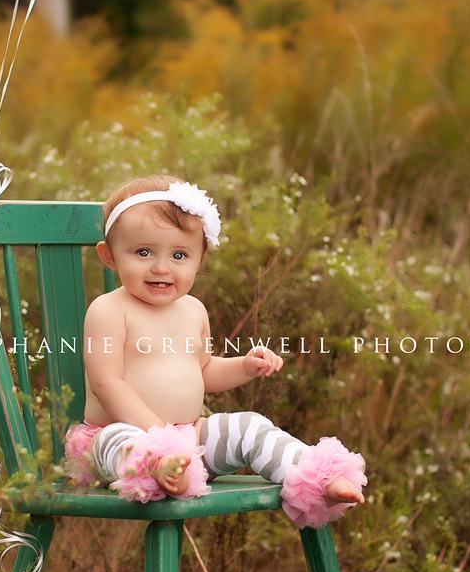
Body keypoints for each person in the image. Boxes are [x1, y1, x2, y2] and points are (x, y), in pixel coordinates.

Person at [64, 175, 366, 528]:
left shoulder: (192, 310)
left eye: (179, 255)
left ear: (199, 259)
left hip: (190, 439)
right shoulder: (109, 310)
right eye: (143, 252)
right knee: (121, 441)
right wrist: (159, 439)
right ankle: (159, 469)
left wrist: (244, 366)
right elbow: (107, 384)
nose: (161, 267)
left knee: (251, 427)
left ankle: (317, 479)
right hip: (117, 439)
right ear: (110, 256)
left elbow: (204, 370)